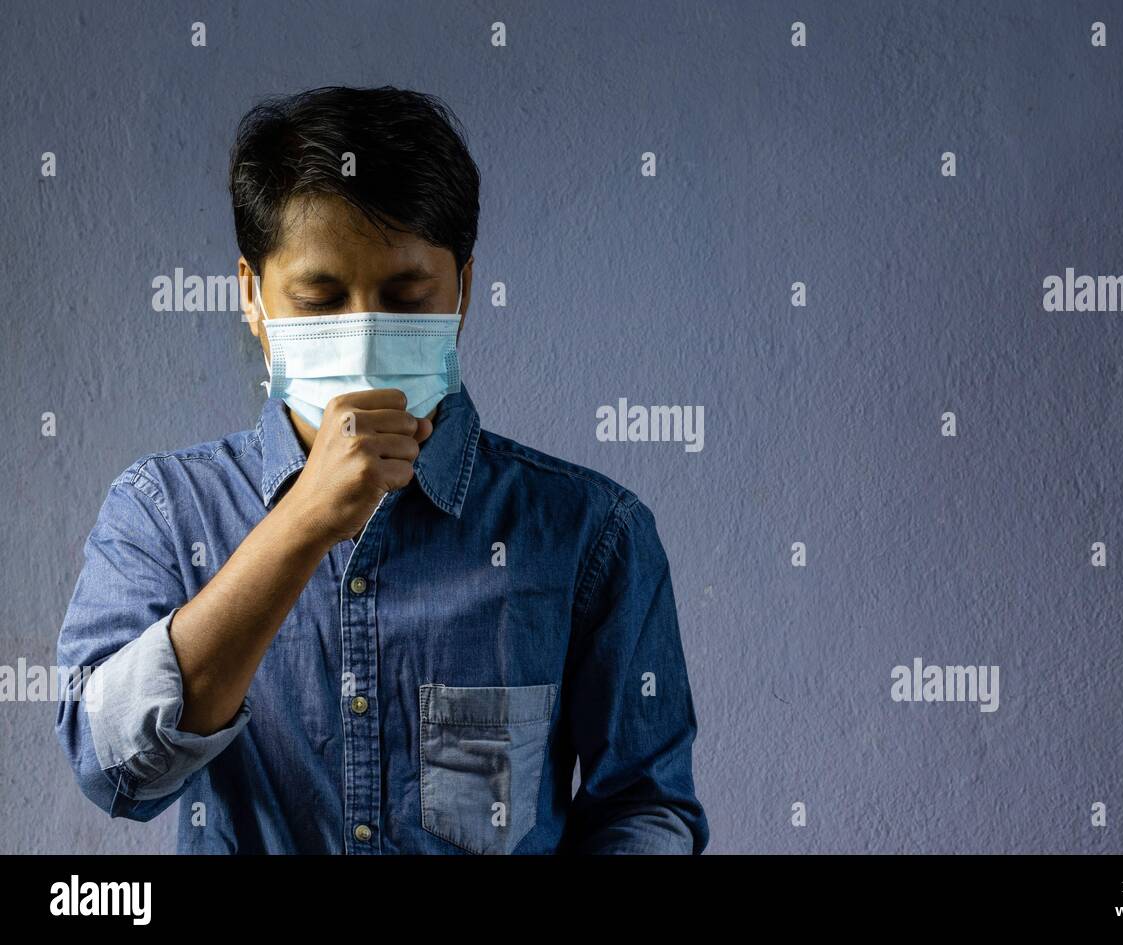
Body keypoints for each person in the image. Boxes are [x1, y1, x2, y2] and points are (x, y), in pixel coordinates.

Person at [54, 86, 708, 855]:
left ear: (461, 292)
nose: (360, 335)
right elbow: (112, 770)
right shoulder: (164, 512)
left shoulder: (591, 533)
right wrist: (300, 524)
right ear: (252, 297)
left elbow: (646, 808)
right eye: (320, 298)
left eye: (403, 296)